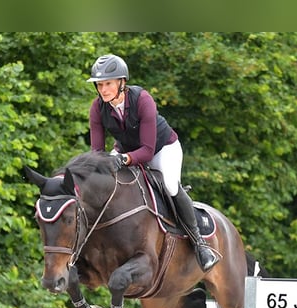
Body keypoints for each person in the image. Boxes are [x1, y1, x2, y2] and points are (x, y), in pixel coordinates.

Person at [87, 54, 220, 272]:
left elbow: (148, 152)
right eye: (99, 84)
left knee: (169, 184)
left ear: (122, 82)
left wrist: (123, 159)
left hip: (162, 148)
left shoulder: (142, 99)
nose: (103, 89)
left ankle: (200, 244)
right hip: (125, 151)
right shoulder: (97, 108)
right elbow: (97, 151)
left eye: (108, 83)